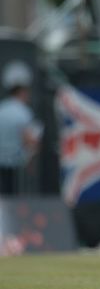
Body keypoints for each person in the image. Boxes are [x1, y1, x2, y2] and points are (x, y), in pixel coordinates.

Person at [0, 60, 41, 194]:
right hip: (16, 170)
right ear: (23, 91)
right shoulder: (23, 112)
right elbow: (30, 141)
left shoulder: (2, 109)